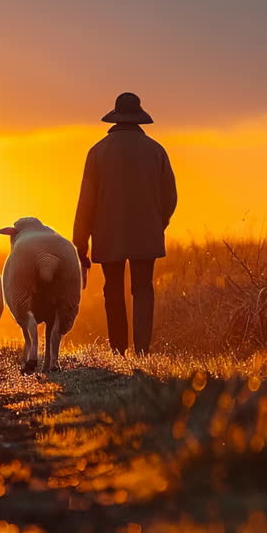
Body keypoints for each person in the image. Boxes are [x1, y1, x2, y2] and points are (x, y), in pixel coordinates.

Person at [73, 92, 177, 355]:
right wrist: (157, 223)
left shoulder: (97, 152)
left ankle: (118, 351)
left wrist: (80, 242)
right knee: (143, 289)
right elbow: (170, 197)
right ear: (139, 117)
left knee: (113, 290)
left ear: (116, 118)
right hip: (147, 233)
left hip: (108, 234)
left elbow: (86, 201)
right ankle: (142, 352)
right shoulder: (156, 150)